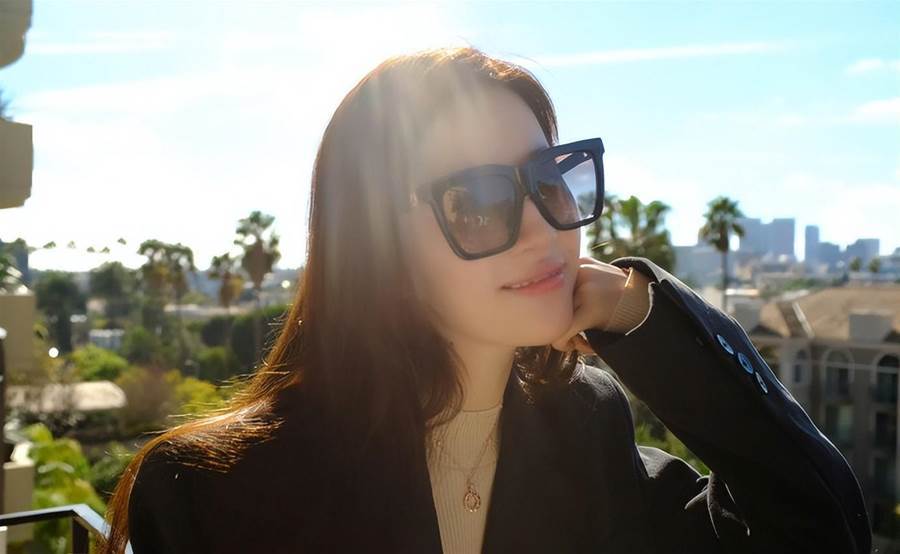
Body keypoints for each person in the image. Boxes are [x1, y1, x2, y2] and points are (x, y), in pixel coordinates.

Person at [98, 46, 871, 554]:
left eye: (548, 180)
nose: (542, 226)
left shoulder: (583, 432)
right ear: (374, 239)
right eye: (475, 201)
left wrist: (642, 316)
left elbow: (817, 527)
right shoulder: (212, 491)